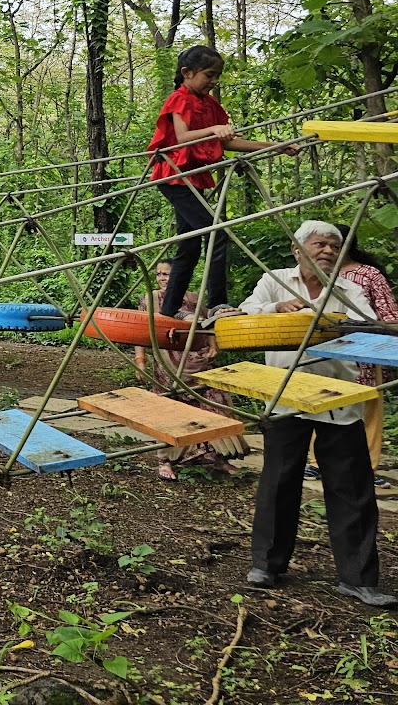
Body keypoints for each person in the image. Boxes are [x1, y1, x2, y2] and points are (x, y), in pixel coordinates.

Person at [240, 220, 394, 606]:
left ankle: (358, 579)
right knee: (279, 479)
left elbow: (370, 326)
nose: (326, 250)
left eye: (333, 246)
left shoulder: (351, 288)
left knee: (352, 486)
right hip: (284, 393)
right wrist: (279, 307)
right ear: (297, 249)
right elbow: (246, 313)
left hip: (337, 398)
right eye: (319, 243)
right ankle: (267, 565)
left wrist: (344, 325)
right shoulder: (276, 279)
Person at [146, 45, 298, 317]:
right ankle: (218, 302)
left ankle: (169, 310)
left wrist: (276, 146)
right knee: (217, 231)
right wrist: (213, 129)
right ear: (187, 73)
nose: (214, 81)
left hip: (191, 179)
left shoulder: (210, 105)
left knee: (189, 245)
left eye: (217, 76)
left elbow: (231, 142)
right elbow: (181, 137)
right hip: (173, 177)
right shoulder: (179, 99)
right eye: (209, 75)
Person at [138, 261, 249, 480]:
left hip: (197, 361)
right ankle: (165, 461)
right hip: (168, 363)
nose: (162, 278)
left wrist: (213, 345)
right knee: (170, 409)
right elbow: (140, 330)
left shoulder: (194, 298)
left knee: (213, 405)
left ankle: (217, 456)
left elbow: (207, 325)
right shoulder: (149, 299)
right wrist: (140, 359)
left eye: (168, 274)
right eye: (159, 274)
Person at [334, 224, 397, 495]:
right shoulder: (314, 277)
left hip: (366, 353)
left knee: (367, 410)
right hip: (325, 354)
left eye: (333, 243)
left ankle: (366, 467)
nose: (327, 250)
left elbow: (388, 316)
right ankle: (316, 462)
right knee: (326, 406)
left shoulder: (368, 274)